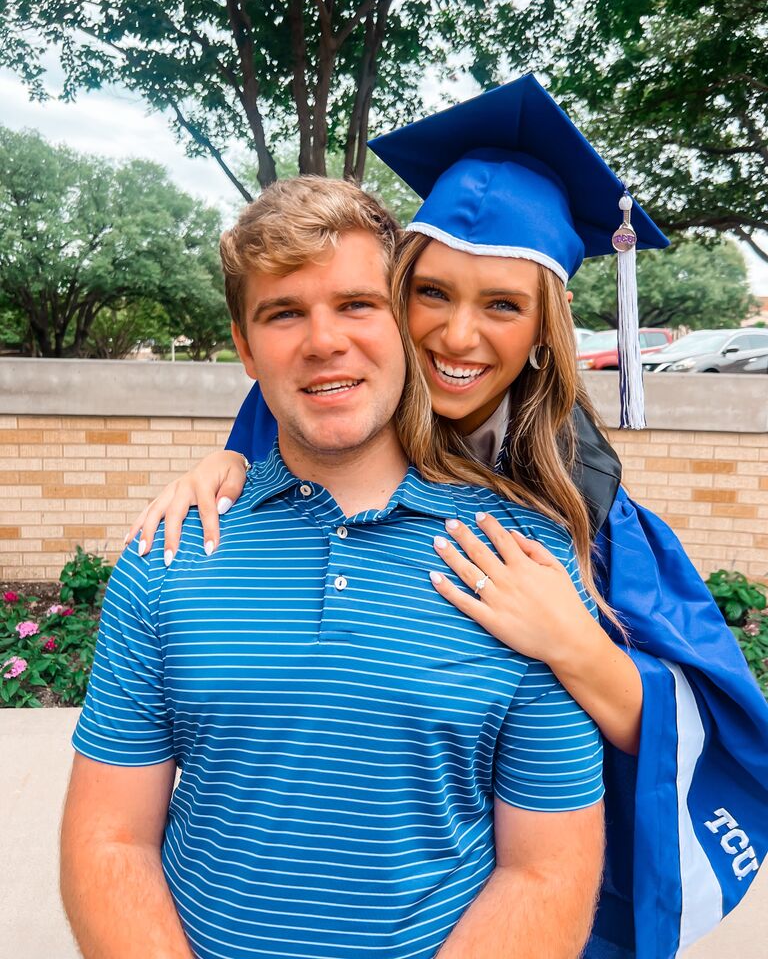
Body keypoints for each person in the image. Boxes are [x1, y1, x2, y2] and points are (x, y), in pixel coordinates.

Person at [127, 74, 768, 959]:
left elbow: (690, 728)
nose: (457, 337)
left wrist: (574, 644)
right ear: (397, 295)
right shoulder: (328, 410)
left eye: (503, 304)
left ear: (545, 328)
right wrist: (222, 461)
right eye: (431, 294)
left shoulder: (580, 499)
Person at [61, 176, 607, 959]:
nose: (324, 342)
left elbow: (547, 871)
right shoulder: (170, 553)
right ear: (246, 347)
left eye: (356, 304)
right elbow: (110, 840)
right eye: (283, 313)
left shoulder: (524, 562)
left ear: (402, 325)